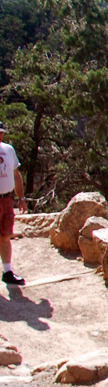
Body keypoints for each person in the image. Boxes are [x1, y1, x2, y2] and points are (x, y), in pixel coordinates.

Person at [0, 122, 25, 285]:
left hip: (6, 199)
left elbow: (16, 175)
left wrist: (21, 198)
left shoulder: (8, 150)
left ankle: (7, 272)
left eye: (2, 132)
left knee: (5, 234)